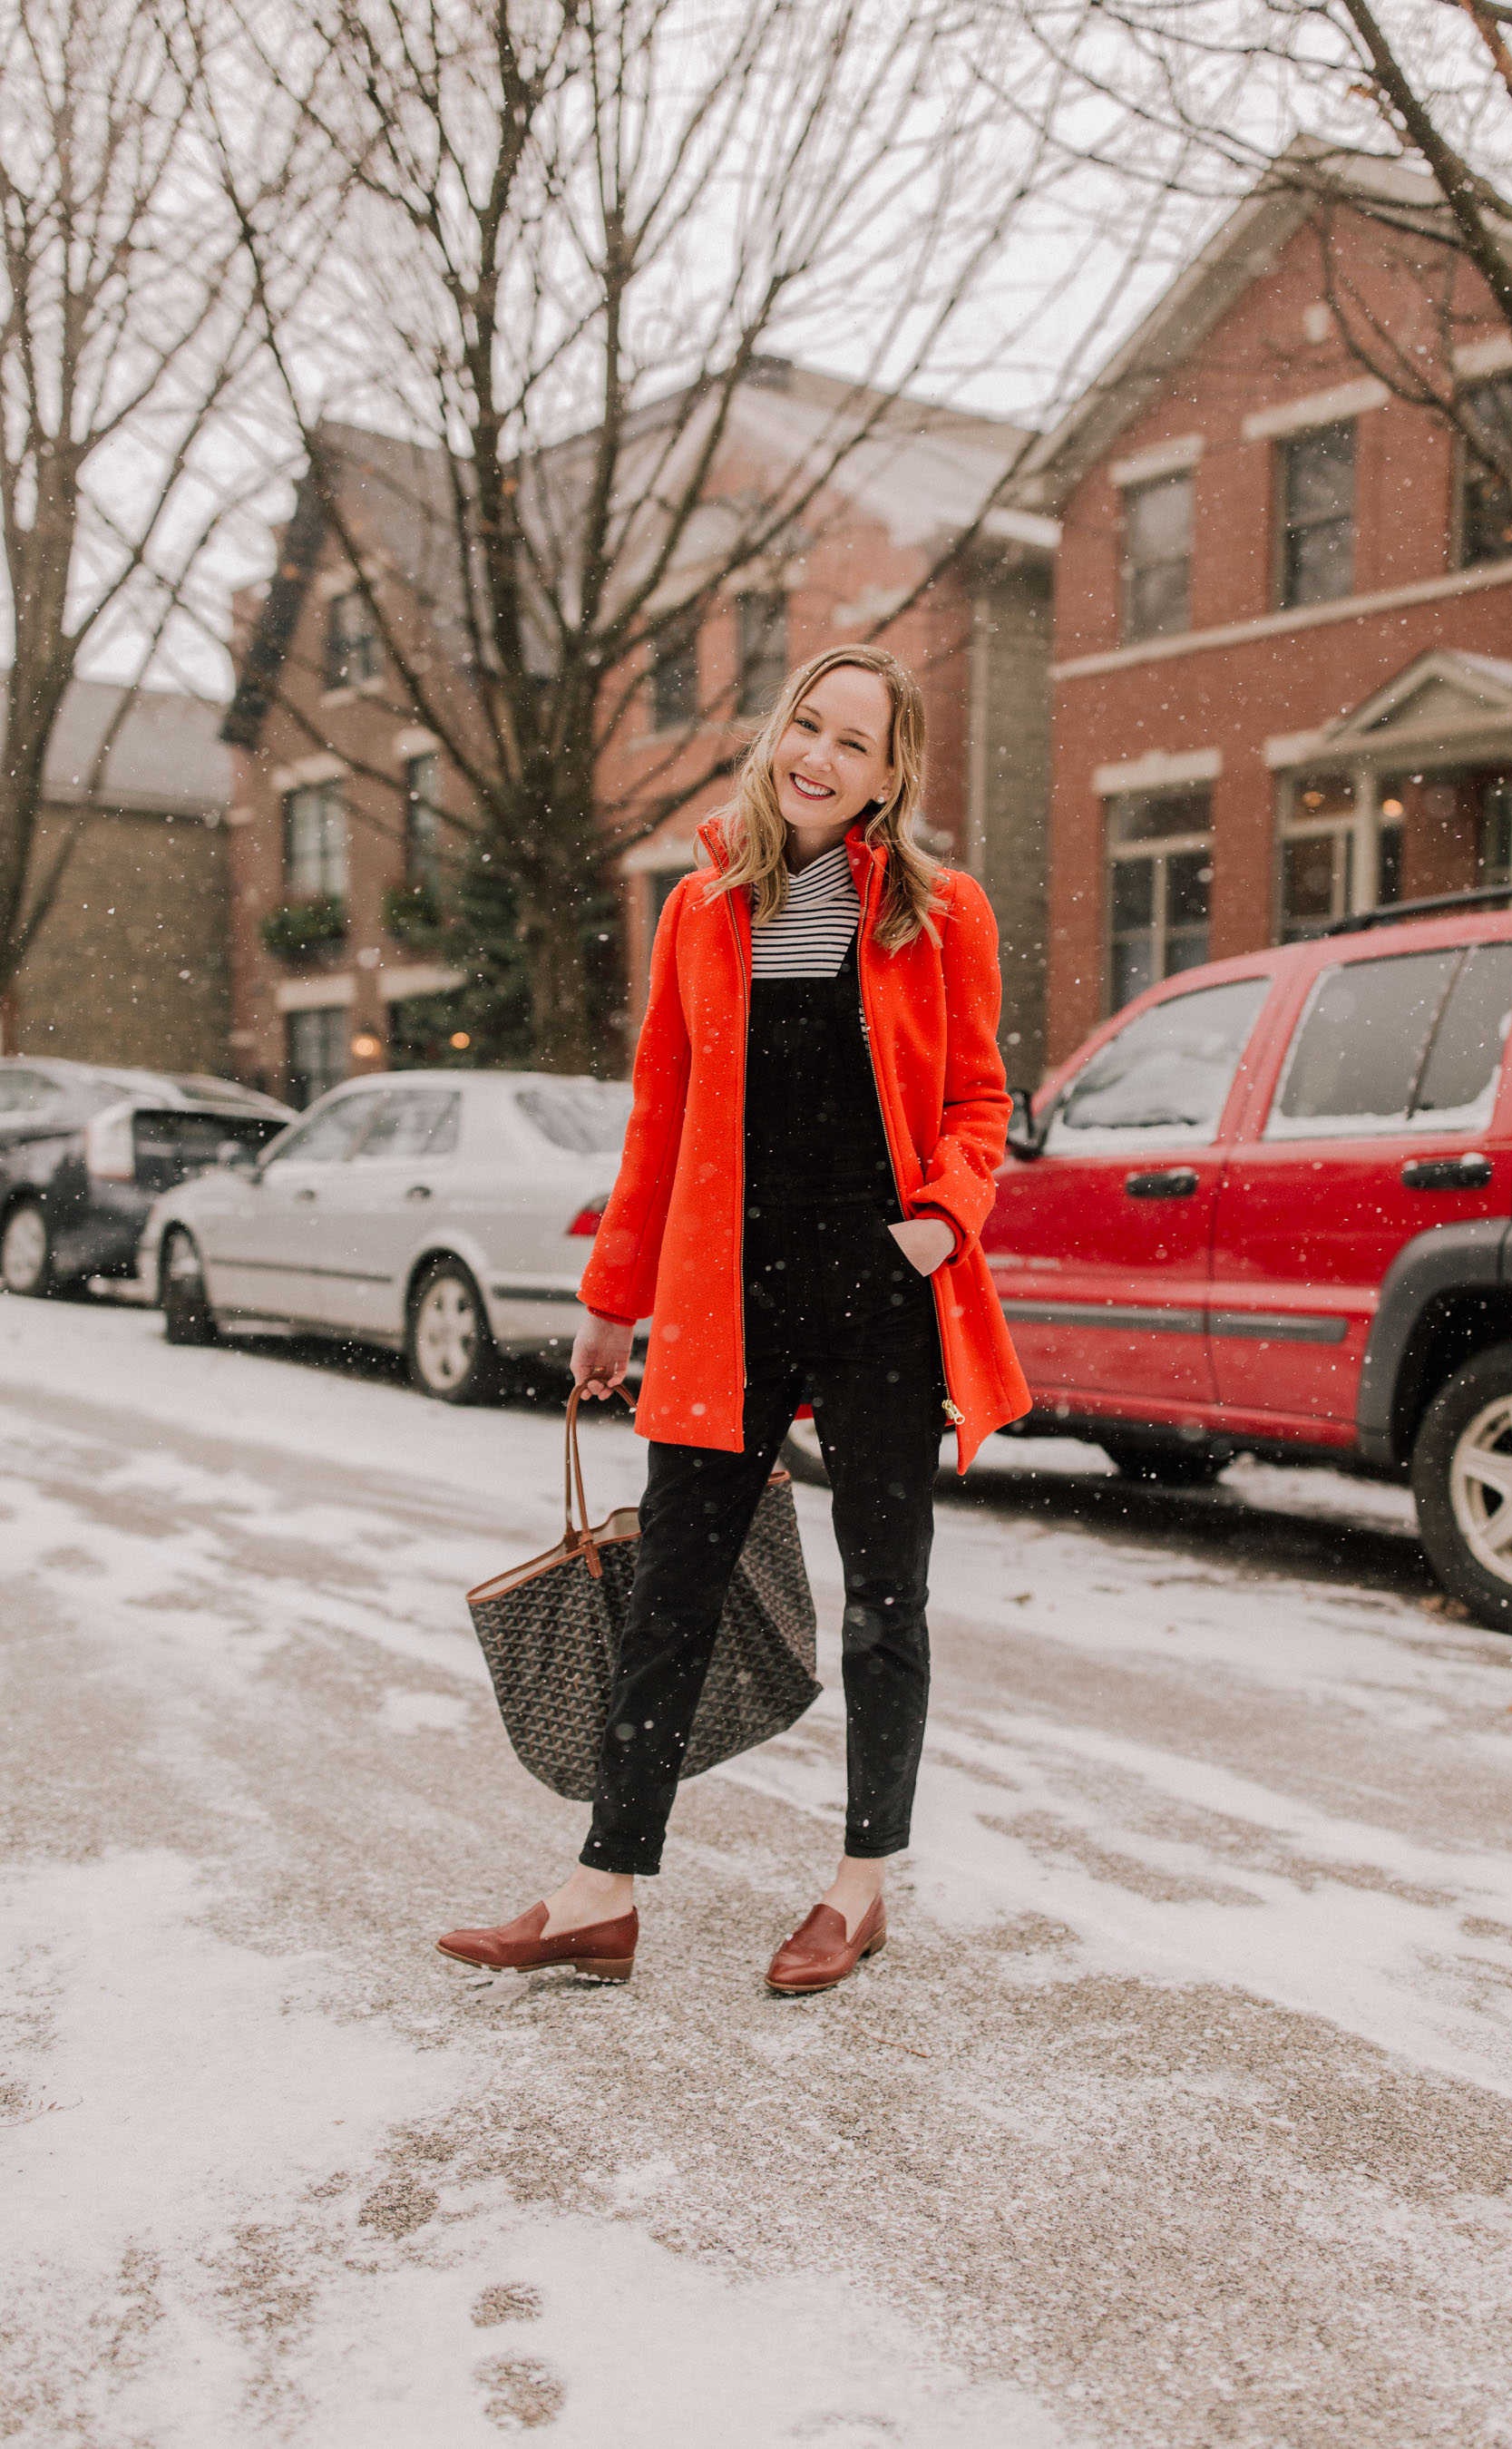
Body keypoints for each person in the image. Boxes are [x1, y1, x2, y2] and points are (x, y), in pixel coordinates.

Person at [438, 645, 1029, 1994]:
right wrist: (611, 1300)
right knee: (672, 1589)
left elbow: (982, 1103)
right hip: (732, 1301)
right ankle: (602, 1889)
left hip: (882, 1300)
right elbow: (659, 1117)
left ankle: (860, 1883)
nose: (817, 756)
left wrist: (935, 1221)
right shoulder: (704, 908)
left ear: (892, 777)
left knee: (889, 1598)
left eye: (855, 743)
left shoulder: (942, 914)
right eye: (804, 726)